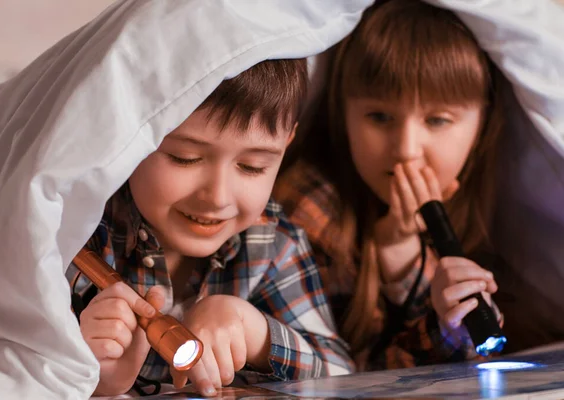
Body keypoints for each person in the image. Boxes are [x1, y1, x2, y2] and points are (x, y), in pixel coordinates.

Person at [67, 58, 355, 397]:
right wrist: (93, 379)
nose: (217, 197)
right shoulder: (76, 235)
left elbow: (342, 378)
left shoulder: (271, 243)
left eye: (252, 166)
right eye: (185, 158)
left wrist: (256, 333)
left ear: (287, 143)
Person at [274, 0, 505, 371]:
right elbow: (350, 373)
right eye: (379, 117)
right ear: (343, 114)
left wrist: (407, 266)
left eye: (438, 120)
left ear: (481, 125)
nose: (406, 149)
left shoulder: (495, 212)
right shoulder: (308, 206)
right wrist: (399, 255)